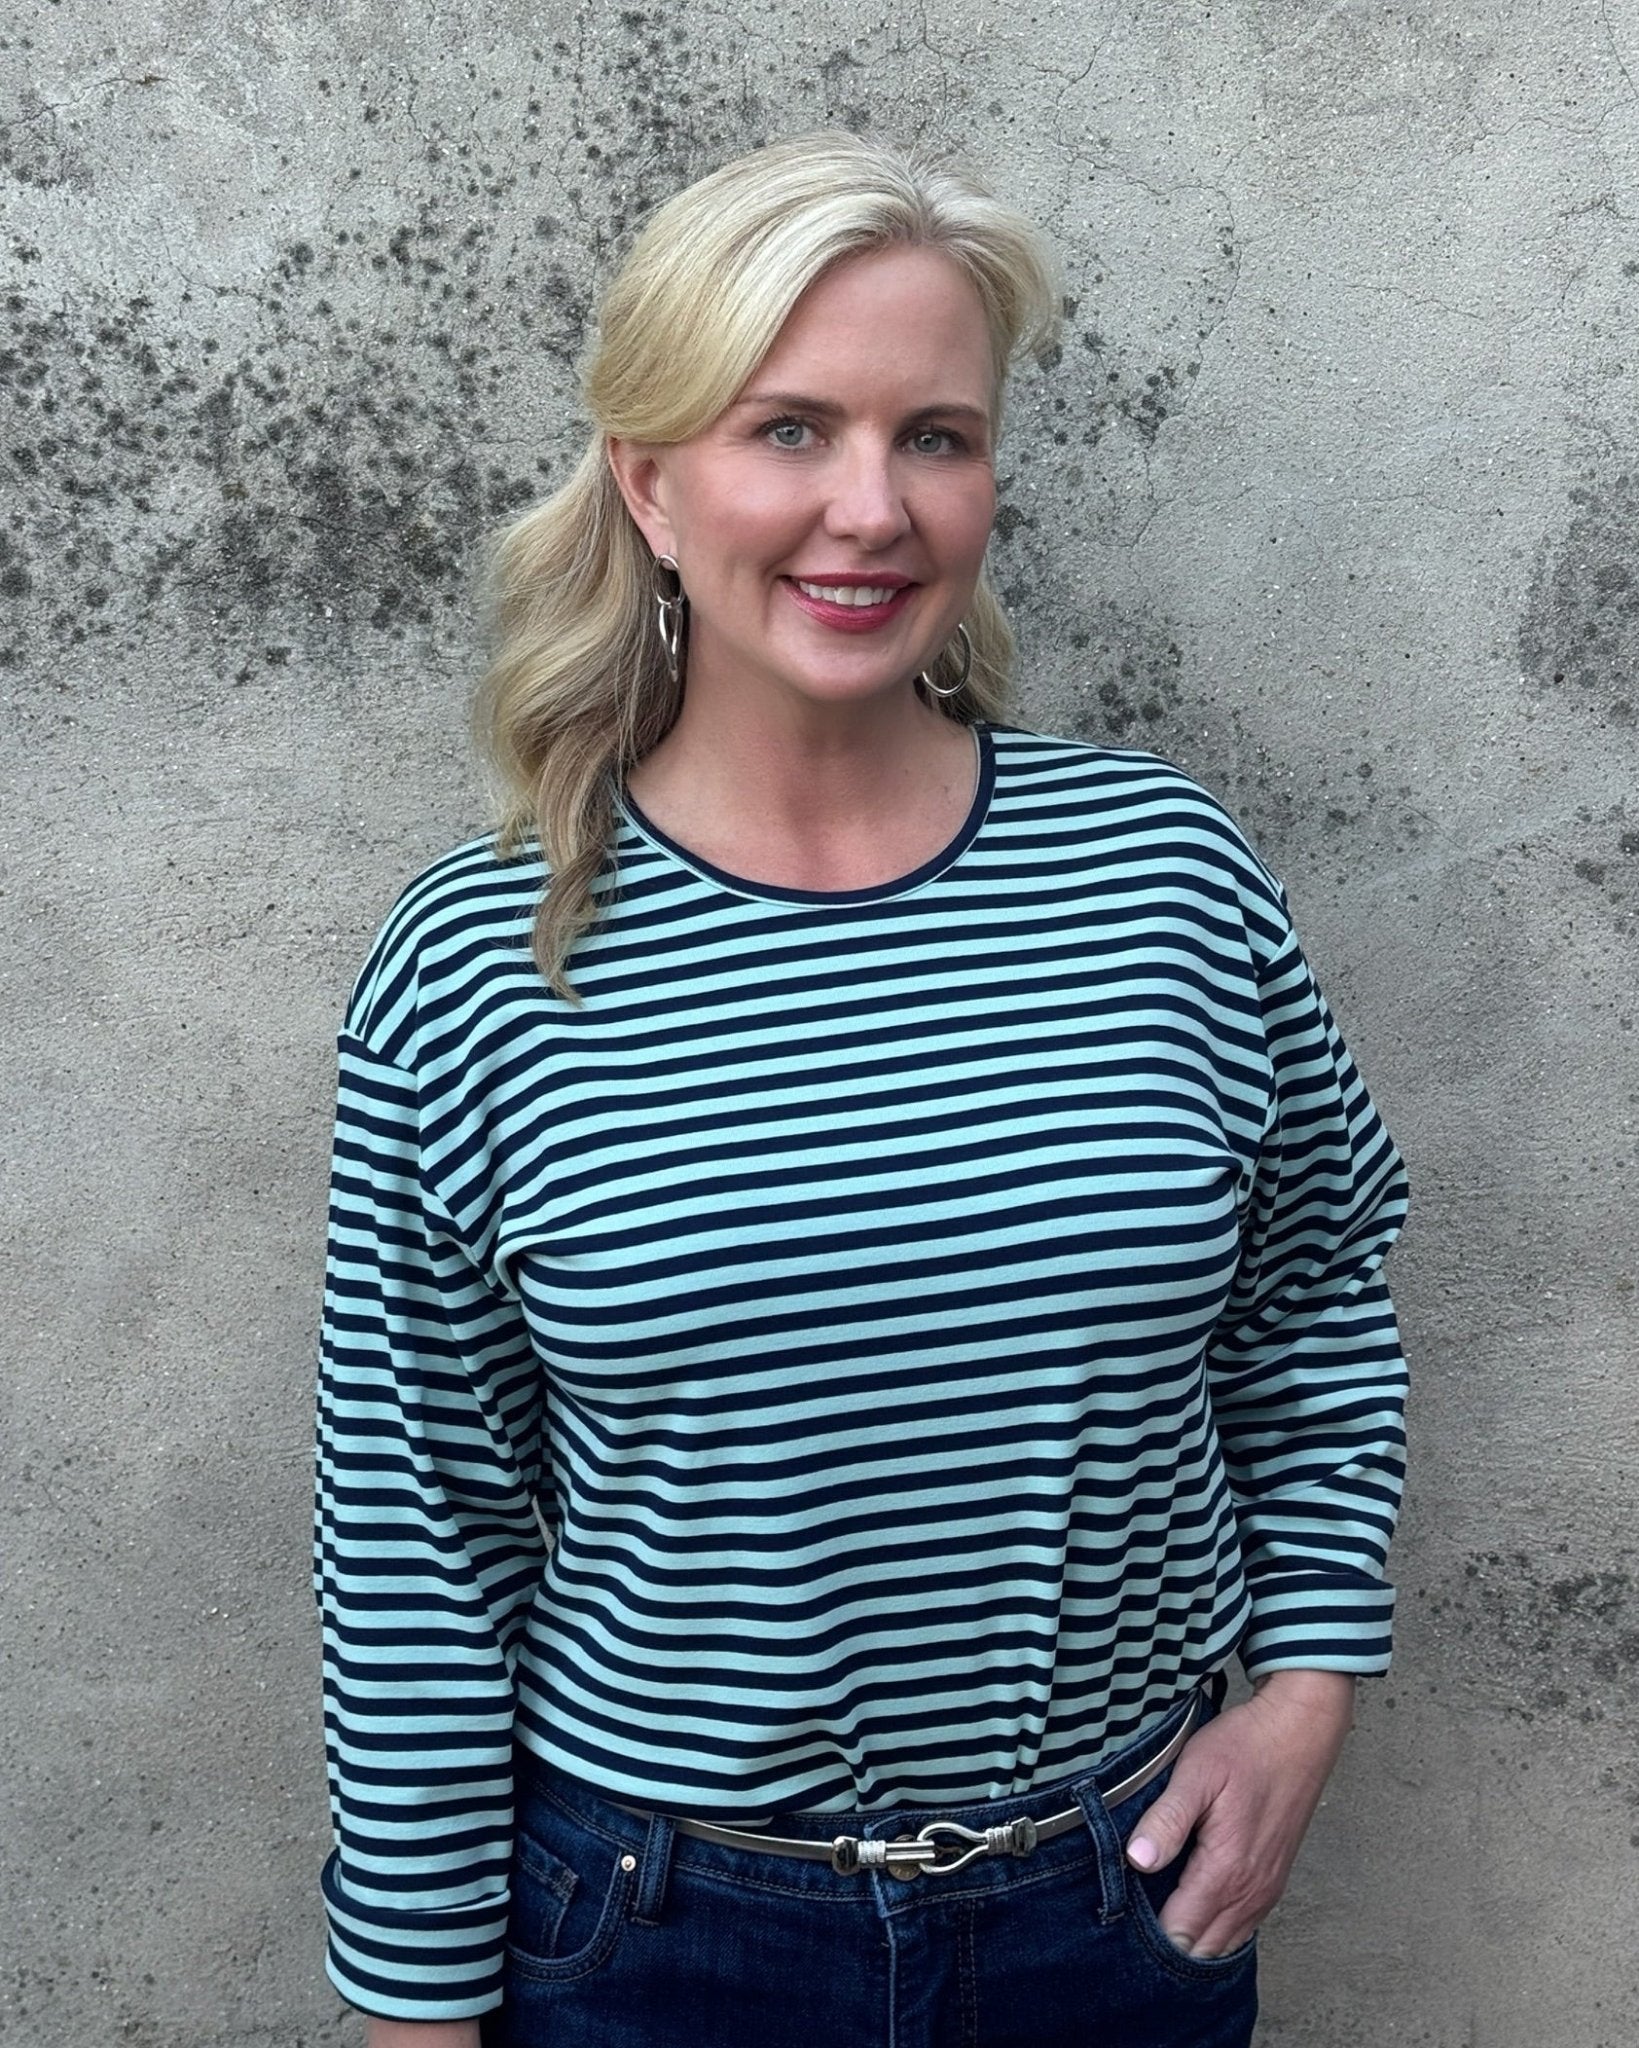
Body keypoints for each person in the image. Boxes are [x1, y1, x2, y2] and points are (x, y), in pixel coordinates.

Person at [315, 131, 1409, 2048]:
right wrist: (416, 2014)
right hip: (658, 1945)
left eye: (937, 438)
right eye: (790, 429)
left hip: (1116, 1915)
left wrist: (1309, 1683)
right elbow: (419, 1540)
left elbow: (1315, 1293)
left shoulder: (1162, 876)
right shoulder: (483, 962)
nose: (873, 510)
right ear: (651, 483)